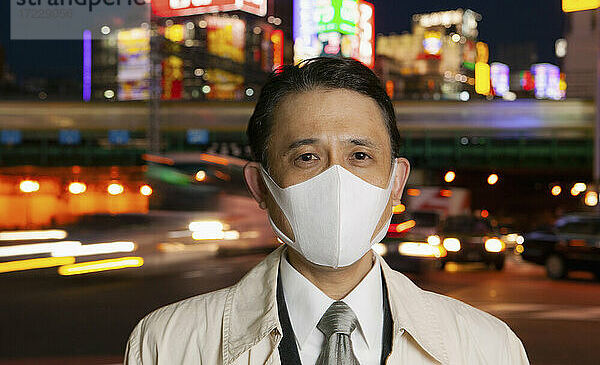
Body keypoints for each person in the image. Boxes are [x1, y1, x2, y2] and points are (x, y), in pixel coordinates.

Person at [124, 57, 530, 365]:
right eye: (306, 157)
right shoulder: (166, 344)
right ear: (260, 186)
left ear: (395, 184)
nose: (337, 180)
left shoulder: (490, 348)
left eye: (359, 155)